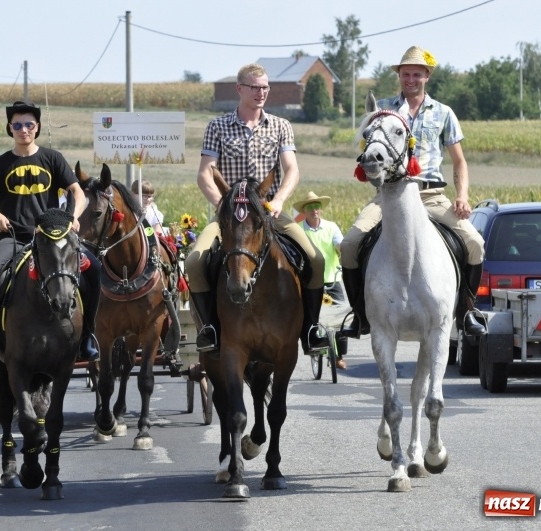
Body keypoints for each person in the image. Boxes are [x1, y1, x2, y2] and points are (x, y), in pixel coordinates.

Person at [339, 45, 487, 339]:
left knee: (475, 243)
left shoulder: (444, 113)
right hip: (388, 197)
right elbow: (368, 150)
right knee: (349, 244)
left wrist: (462, 196)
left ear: (427, 76)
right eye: (405, 74)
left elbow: (459, 161)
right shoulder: (383, 108)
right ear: (399, 75)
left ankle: (467, 311)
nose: (410, 79)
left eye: (416, 74)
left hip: (430, 195)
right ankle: (359, 314)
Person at [185, 63, 329, 355]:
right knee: (195, 263)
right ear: (240, 89)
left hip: (269, 212)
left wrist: (277, 202)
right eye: (255, 87)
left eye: (265, 87)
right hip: (229, 217)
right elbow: (204, 173)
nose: (261, 92)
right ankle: (210, 329)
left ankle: (311, 328)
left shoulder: (280, 126)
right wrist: (223, 207)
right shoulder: (217, 126)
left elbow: (291, 170)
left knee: (316, 258)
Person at [0, 100, 102, 370]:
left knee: (95, 269)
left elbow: (78, 193)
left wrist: (74, 217)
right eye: (17, 125)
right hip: (13, 239)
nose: (23, 129)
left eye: (29, 124)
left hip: (53, 239)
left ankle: (88, 335)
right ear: (10, 128)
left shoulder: (52, 158)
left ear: (37, 127)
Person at [295, 191, 348, 369]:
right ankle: (313, 344)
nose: (314, 210)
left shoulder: (331, 227)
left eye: (317, 206)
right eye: (310, 207)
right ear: (304, 210)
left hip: (332, 278)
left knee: (342, 318)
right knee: (310, 317)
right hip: (309, 282)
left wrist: (343, 249)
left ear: (321, 210)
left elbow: (339, 243)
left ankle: (339, 356)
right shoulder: (299, 229)